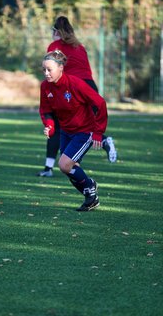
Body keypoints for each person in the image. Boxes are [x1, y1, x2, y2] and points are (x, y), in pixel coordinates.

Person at [37, 16, 117, 177]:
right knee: (82, 126)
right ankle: (101, 141)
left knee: (58, 127)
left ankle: (49, 168)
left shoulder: (54, 46)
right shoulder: (79, 46)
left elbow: (52, 67)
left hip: (73, 87)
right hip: (88, 85)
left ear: (55, 32)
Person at [39, 50, 108, 211]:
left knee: (64, 165)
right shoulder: (45, 87)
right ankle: (91, 195)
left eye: (50, 69)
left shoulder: (75, 84)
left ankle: (90, 191)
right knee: (71, 167)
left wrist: (98, 131)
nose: (46, 73)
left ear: (61, 68)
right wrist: (50, 125)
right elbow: (46, 109)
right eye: (44, 69)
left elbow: (100, 103)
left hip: (85, 130)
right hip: (66, 131)